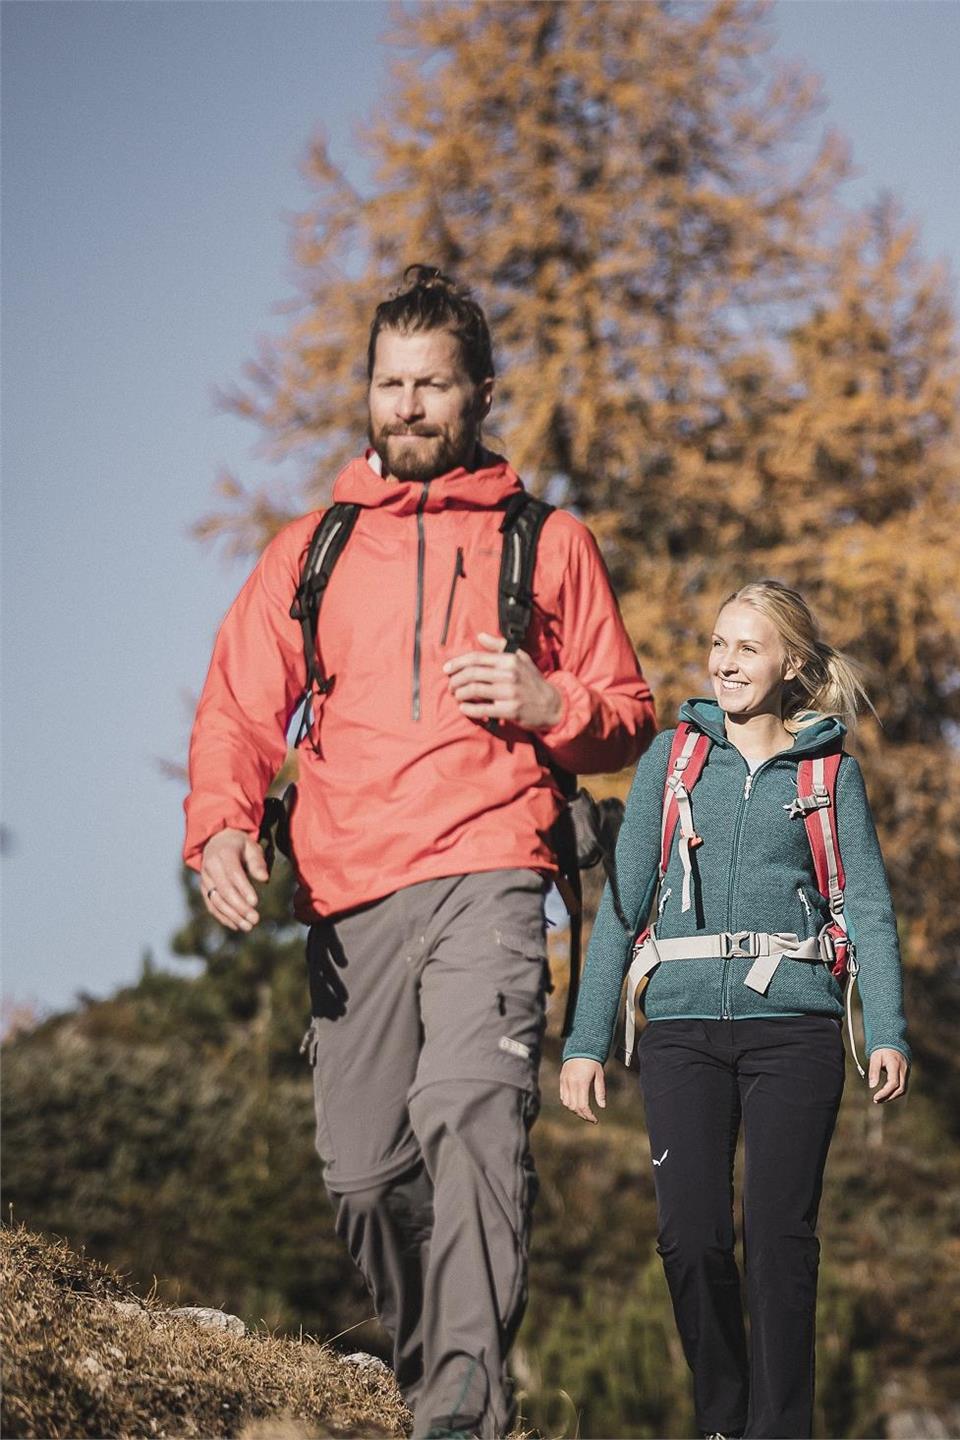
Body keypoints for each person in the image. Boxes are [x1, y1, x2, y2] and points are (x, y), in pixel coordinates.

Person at [182, 265, 655, 1439]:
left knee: (470, 1110)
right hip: (350, 888)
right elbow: (243, 709)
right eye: (389, 384)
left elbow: (629, 708)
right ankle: (428, 1367)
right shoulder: (314, 550)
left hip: (493, 865)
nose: (406, 406)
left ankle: (461, 1407)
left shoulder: (546, 544)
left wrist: (552, 701)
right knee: (364, 1176)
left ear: (479, 392)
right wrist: (222, 828)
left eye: (431, 385)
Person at [559, 579, 910, 1440]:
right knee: (690, 1238)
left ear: (791, 663)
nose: (725, 662)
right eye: (719, 644)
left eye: (747, 648)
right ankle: (723, 1418)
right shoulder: (671, 761)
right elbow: (623, 903)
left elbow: (866, 908)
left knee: (781, 1245)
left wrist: (888, 1030)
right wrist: (586, 1038)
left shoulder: (830, 773)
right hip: (679, 1028)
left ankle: (779, 1430)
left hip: (796, 1028)